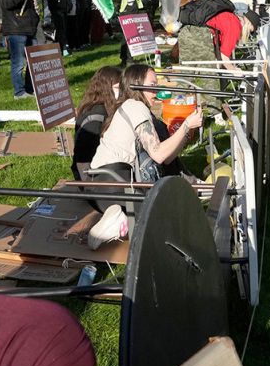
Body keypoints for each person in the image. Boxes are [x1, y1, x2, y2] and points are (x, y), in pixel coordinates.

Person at [86, 64, 202, 248]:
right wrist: (186, 125)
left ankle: (116, 221)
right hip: (114, 185)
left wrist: (187, 132)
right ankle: (114, 223)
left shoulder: (132, 106)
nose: (156, 90)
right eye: (152, 85)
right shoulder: (135, 106)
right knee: (166, 229)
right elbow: (159, 154)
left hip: (105, 187)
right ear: (136, 85)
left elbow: (168, 158)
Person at [0, 0, 39, 99]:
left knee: (32, 62)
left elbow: (31, 7)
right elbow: (6, 3)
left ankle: (29, 89)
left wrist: (35, 20)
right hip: (14, 28)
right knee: (18, 63)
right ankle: (19, 92)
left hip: (29, 28)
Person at [72, 65, 121, 179]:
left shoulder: (100, 108)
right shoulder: (96, 119)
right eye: (118, 88)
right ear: (106, 89)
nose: (123, 92)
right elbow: (83, 159)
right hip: (95, 178)